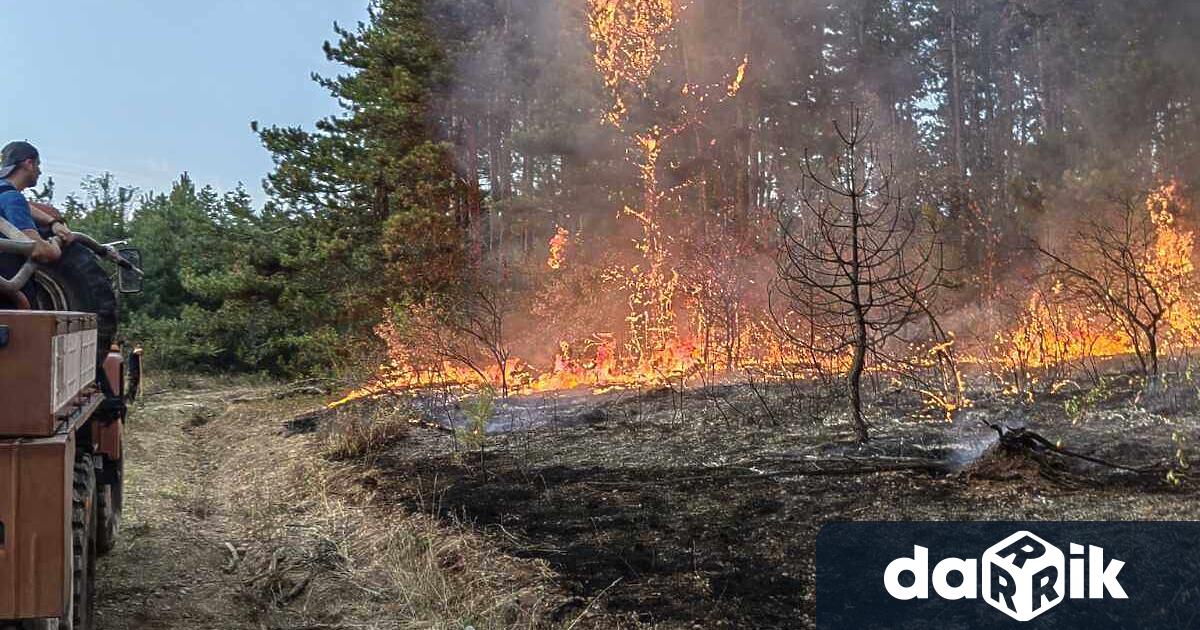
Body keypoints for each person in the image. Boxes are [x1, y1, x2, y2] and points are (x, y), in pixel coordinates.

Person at [0, 141, 75, 306]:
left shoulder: (5, 195)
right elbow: (36, 250)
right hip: (8, 301)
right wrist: (55, 245)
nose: (39, 171)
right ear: (29, 163)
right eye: (38, 165)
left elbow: (24, 205)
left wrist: (53, 222)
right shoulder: (12, 198)